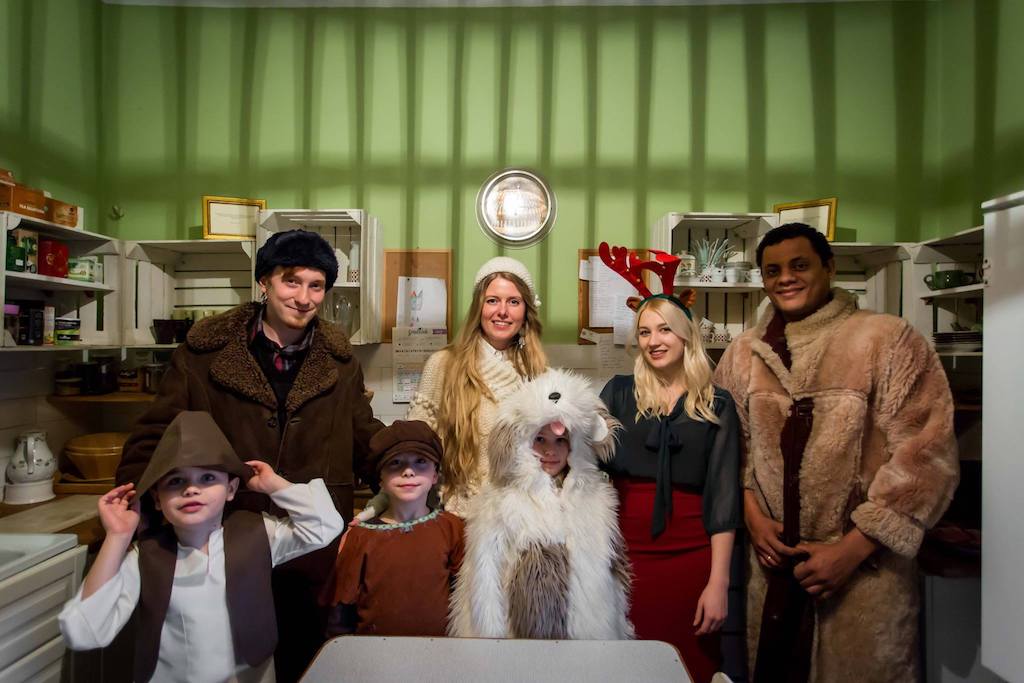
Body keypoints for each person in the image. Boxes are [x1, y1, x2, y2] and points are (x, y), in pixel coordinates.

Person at [116, 229, 383, 682]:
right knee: (232, 662)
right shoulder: (202, 355)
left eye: (316, 286)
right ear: (264, 282)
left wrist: (408, 467)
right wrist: (137, 514)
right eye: (291, 281)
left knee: (306, 661)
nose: (303, 298)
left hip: (312, 546)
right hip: (225, 540)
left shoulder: (340, 362)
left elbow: (364, 435)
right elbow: (155, 437)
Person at [714, 223, 959, 682]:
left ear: (829, 267)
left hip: (865, 576)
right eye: (773, 270)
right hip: (773, 574)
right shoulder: (744, 353)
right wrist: (752, 516)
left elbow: (927, 455)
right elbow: (729, 452)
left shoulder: (887, 339)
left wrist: (853, 548)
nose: (786, 278)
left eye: (799, 265)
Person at [60, 411, 343, 683]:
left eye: (207, 478)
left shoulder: (259, 534)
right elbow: (83, 633)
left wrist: (274, 485)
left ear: (231, 489)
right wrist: (118, 537)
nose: (191, 489)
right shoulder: (146, 556)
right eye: (176, 481)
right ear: (157, 498)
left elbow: (325, 526)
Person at [600, 296, 742, 683]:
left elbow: (724, 500)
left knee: (689, 664)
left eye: (664, 330)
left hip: (692, 559)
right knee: (625, 666)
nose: (654, 341)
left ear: (686, 336)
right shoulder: (618, 394)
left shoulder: (718, 404)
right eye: (645, 332)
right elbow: (583, 467)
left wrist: (718, 583)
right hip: (625, 559)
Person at [449, 368, 633, 640]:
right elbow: (484, 577)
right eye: (540, 440)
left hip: (583, 638)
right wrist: (486, 641)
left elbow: (613, 574)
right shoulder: (502, 499)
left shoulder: (595, 500)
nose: (550, 450)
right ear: (523, 443)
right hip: (518, 636)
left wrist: (616, 632)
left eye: (560, 441)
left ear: (575, 446)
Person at [359, 256, 547, 520]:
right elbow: (413, 446)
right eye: (492, 300)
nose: (502, 311)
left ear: (526, 310)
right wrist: (380, 503)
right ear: (478, 307)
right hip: (460, 518)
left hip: (524, 521)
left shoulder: (539, 374)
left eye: (514, 302)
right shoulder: (444, 365)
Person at [328, 420, 464, 636]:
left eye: (420, 461)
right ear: (380, 478)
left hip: (439, 648)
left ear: (435, 474)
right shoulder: (360, 536)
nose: (408, 471)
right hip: (373, 650)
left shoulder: (452, 528)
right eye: (395, 463)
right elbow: (340, 612)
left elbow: (465, 599)